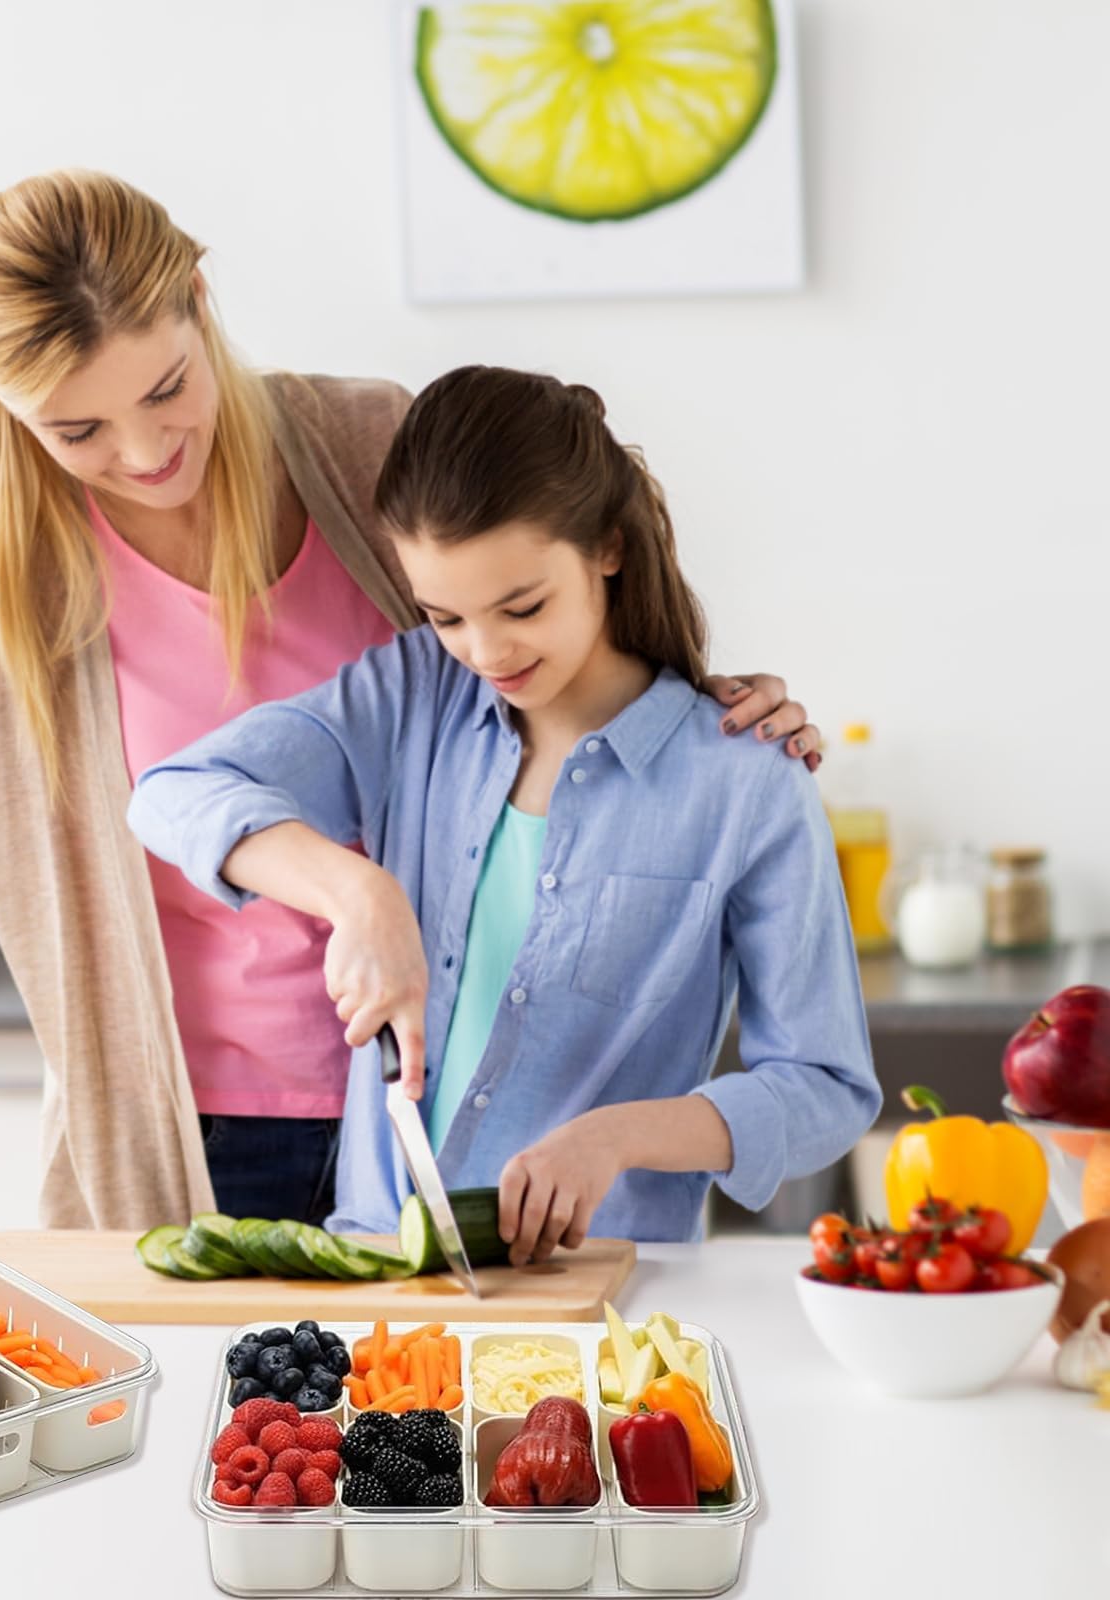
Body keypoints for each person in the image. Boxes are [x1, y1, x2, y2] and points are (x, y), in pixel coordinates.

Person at [0, 177, 819, 1251]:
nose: (143, 453)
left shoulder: (365, 448)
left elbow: (555, 555)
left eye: (165, 389)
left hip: (429, 1101)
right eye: (77, 429)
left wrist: (701, 699)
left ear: (201, 301)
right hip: (179, 1120)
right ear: (7, 408)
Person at [129, 366, 880, 1262]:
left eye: (522, 607)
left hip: (602, 1283)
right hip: (381, 1274)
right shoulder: (412, 693)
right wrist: (356, 892)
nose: (486, 652)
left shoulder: (746, 781)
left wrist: (619, 1136)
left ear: (607, 547)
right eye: (447, 616)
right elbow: (171, 794)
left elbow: (825, 1086)